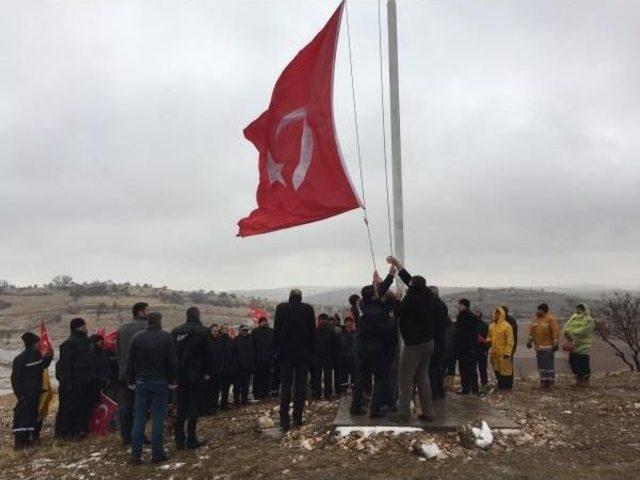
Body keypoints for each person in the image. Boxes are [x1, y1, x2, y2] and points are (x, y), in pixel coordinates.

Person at [386, 256, 436, 423]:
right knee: (423, 377)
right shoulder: (428, 295)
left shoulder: (411, 299)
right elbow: (411, 281)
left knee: (405, 379)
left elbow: (399, 313)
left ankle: (403, 414)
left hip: (413, 345)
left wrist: (398, 299)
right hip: (429, 342)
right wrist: (398, 266)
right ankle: (428, 412)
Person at [127, 311, 177, 464]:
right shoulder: (166, 336)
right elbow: (172, 361)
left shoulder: (137, 337)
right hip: (160, 381)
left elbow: (130, 362)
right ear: (159, 321)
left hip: (141, 381)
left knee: (139, 419)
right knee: (157, 419)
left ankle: (135, 455)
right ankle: (157, 454)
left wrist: (131, 380)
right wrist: (172, 380)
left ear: (148, 321)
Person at [350, 269, 396, 418]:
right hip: (375, 349)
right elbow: (387, 327)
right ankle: (375, 410)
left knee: (360, 378)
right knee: (381, 378)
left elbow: (376, 293)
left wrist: (387, 277)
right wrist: (390, 317)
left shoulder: (361, 305)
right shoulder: (378, 312)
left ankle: (355, 407)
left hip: (360, 348)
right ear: (374, 296)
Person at [273, 289, 316, 432]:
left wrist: (275, 351)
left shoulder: (281, 308)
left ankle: (284, 421)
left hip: (285, 354)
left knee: (285, 386)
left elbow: (276, 331)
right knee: (299, 387)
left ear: (290, 297)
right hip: (302, 355)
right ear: (301, 297)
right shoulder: (308, 309)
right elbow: (312, 333)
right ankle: (297, 419)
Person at [172, 306, 212, 449]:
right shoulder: (202, 331)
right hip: (196, 374)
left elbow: (172, 354)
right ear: (198, 315)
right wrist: (207, 372)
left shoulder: (176, 331)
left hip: (180, 374)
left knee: (181, 407)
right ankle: (191, 438)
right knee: (193, 407)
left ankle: (179, 439)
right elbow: (208, 353)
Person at [55, 318, 97, 440]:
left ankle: (74, 431)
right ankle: (71, 432)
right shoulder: (73, 344)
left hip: (79, 382)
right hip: (77, 382)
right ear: (82, 327)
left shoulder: (82, 342)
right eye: (85, 326)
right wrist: (67, 382)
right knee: (74, 408)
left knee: (77, 407)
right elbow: (67, 365)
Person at [11, 332, 54, 449]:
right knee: (22, 417)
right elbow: (15, 379)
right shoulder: (20, 359)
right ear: (32, 344)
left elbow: (43, 365)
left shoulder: (37, 356)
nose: (40, 344)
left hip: (35, 393)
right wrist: (20, 395)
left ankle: (27, 440)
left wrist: (49, 356)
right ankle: (20, 442)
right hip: (25, 395)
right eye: (37, 343)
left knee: (32, 416)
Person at [116, 302, 149, 445]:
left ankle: (126, 436)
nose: (148, 313)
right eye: (147, 310)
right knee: (141, 407)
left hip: (124, 374)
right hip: (142, 373)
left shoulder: (122, 328)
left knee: (126, 406)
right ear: (140, 312)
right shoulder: (146, 328)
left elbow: (118, 352)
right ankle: (139, 435)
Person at [526, 303, 560, 388]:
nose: (538, 311)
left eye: (540, 310)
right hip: (539, 347)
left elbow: (556, 332)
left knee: (548, 365)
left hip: (548, 347)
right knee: (541, 365)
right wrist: (529, 341)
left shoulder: (551, 319)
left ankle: (550, 383)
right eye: (538, 310)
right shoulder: (535, 320)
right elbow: (532, 332)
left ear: (544, 310)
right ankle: (543, 381)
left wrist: (556, 344)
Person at [563, 304, 595, 387]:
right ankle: (578, 380)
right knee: (573, 362)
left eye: (580, 309)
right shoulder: (573, 318)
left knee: (582, 362)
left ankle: (585, 381)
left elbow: (584, 331)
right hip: (572, 344)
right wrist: (566, 333)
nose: (577, 310)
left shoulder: (589, 320)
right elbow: (566, 326)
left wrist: (572, 334)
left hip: (583, 344)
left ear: (584, 310)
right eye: (577, 309)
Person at [454, 299, 480, 395]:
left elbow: (472, 334)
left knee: (469, 369)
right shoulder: (463, 316)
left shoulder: (468, 317)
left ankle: (471, 389)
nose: (458, 306)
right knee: (466, 369)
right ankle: (469, 389)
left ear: (464, 306)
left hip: (467, 348)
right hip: (464, 348)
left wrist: (472, 348)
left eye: (459, 305)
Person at [429, 286, 449, 399]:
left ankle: (434, 391)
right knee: (438, 367)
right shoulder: (442, 306)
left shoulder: (432, 306)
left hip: (433, 340)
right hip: (441, 340)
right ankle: (440, 391)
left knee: (432, 368)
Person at [487, 307, 514, 391]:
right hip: (494, 353)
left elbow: (510, 341)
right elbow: (489, 336)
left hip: (503, 353)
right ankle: (500, 385)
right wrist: (488, 341)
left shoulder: (507, 326)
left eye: (498, 313)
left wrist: (508, 352)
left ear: (502, 314)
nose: (496, 315)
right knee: (497, 370)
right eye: (495, 313)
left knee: (505, 371)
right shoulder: (491, 326)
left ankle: (507, 387)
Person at [313, 313, 338, 399]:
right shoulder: (331, 331)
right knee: (327, 376)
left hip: (319, 356)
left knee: (318, 376)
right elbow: (335, 346)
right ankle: (327, 394)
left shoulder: (315, 330)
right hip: (327, 356)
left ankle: (317, 394)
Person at [251, 317, 274, 400]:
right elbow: (252, 346)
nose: (264, 323)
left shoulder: (271, 332)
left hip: (268, 359)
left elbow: (273, 345)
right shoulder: (255, 332)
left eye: (265, 321)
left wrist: (272, 357)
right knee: (257, 378)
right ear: (259, 323)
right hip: (257, 359)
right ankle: (257, 394)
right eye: (262, 322)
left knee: (267, 377)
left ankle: (265, 393)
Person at [232, 325, 254, 405]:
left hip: (247, 367)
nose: (245, 332)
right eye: (243, 330)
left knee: (245, 385)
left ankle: (244, 400)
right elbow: (233, 354)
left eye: (246, 330)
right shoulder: (235, 340)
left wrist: (251, 365)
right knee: (237, 386)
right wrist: (234, 365)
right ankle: (236, 401)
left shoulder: (250, 340)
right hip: (238, 367)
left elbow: (252, 353)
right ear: (240, 331)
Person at [337, 316, 356, 395]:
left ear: (352, 323)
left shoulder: (355, 333)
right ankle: (343, 390)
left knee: (353, 375)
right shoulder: (341, 333)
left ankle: (353, 390)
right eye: (347, 321)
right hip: (343, 357)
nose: (348, 323)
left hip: (353, 357)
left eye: (350, 322)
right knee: (343, 375)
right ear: (344, 323)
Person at [475, 309, 490, 389]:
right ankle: (474, 385)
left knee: (482, 369)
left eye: (478, 312)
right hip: (473, 350)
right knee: (473, 369)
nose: (476, 314)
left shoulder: (485, 325)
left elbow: (488, 338)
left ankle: (484, 384)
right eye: (475, 312)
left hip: (482, 349)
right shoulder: (471, 325)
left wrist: (486, 349)